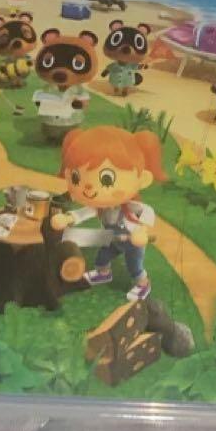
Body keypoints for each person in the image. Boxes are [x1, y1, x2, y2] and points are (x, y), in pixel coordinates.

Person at [50, 126, 166, 301]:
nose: (89, 188)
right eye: (76, 178)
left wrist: (142, 231)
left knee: (134, 266)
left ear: (143, 179)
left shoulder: (130, 207)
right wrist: (68, 218)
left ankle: (143, 284)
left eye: (106, 179)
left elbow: (147, 211)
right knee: (103, 256)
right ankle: (103, 273)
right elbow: (85, 212)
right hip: (112, 238)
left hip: (132, 242)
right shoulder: (101, 206)